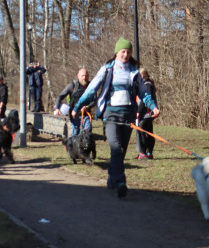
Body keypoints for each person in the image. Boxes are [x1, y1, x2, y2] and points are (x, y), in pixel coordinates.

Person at [73, 38, 160, 199]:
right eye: (123, 52)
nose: (126, 55)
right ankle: (121, 182)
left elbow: (143, 92)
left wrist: (153, 106)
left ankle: (112, 180)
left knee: (121, 151)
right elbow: (91, 90)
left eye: (128, 52)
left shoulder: (134, 71)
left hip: (128, 115)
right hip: (111, 114)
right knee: (116, 148)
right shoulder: (107, 69)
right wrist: (78, 106)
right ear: (116, 53)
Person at [54, 68, 92, 137]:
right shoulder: (72, 85)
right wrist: (57, 108)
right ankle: (71, 145)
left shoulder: (91, 86)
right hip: (74, 114)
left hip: (86, 114)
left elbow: (94, 100)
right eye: (82, 76)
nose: (84, 78)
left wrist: (88, 107)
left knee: (88, 133)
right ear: (78, 76)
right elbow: (60, 96)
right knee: (75, 134)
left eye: (86, 76)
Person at [136, 67, 158, 160]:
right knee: (148, 131)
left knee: (142, 131)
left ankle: (144, 153)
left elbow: (145, 100)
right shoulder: (144, 84)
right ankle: (148, 152)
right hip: (146, 112)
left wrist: (138, 112)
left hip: (147, 113)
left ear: (143, 75)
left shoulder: (147, 84)